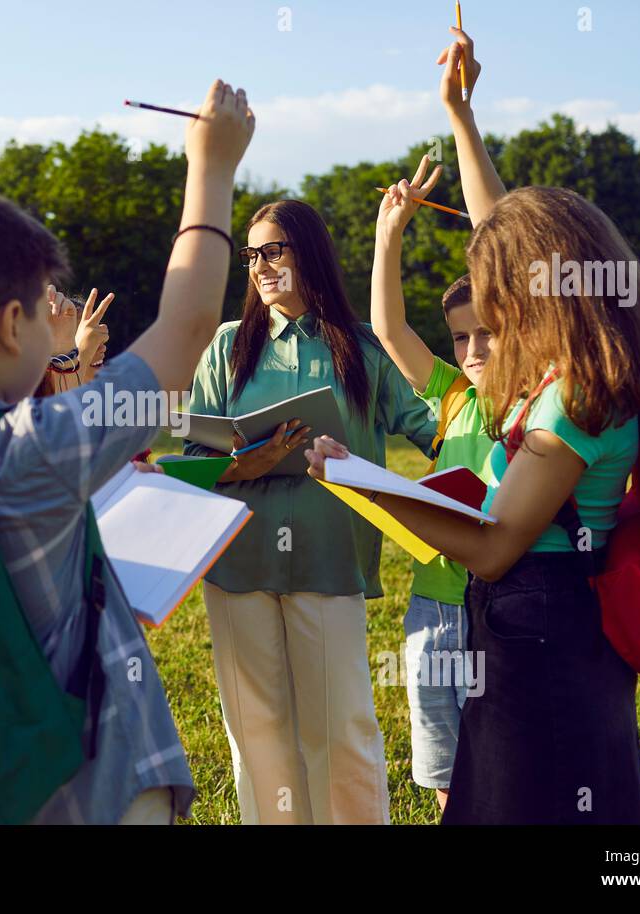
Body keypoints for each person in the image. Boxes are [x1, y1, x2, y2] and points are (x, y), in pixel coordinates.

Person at [302, 25, 640, 824]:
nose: (490, 300)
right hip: (547, 629)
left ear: (539, 287)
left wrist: (366, 486)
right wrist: (462, 114)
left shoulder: (575, 393)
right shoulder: (580, 355)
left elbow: (494, 543)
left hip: (539, 632)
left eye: (499, 284)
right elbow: (499, 231)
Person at [0, 79, 256, 823]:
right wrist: (211, 168)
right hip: (86, 794)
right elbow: (188, 326)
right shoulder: (32, 451)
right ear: (13, 325)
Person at [183, 198, 436, 824]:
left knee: (341, 731)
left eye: (274, 251)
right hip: (237, 567)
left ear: (309, 254)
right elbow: (196, 455)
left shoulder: (362, 347)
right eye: (252, 255)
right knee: (258, 736)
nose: (260, 266)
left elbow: (432, 429)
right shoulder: (225, 346)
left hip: (331, 563)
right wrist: (248, 463)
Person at [370, 154, 497, 812]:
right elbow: (390, 330)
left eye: (487, 334)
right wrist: (390, 233)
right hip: (432, 608)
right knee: (445, 768)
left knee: (500, 764)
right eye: (459, 338)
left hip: (496, 608)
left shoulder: (539, 401)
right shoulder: (451, 397)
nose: (472, 350)